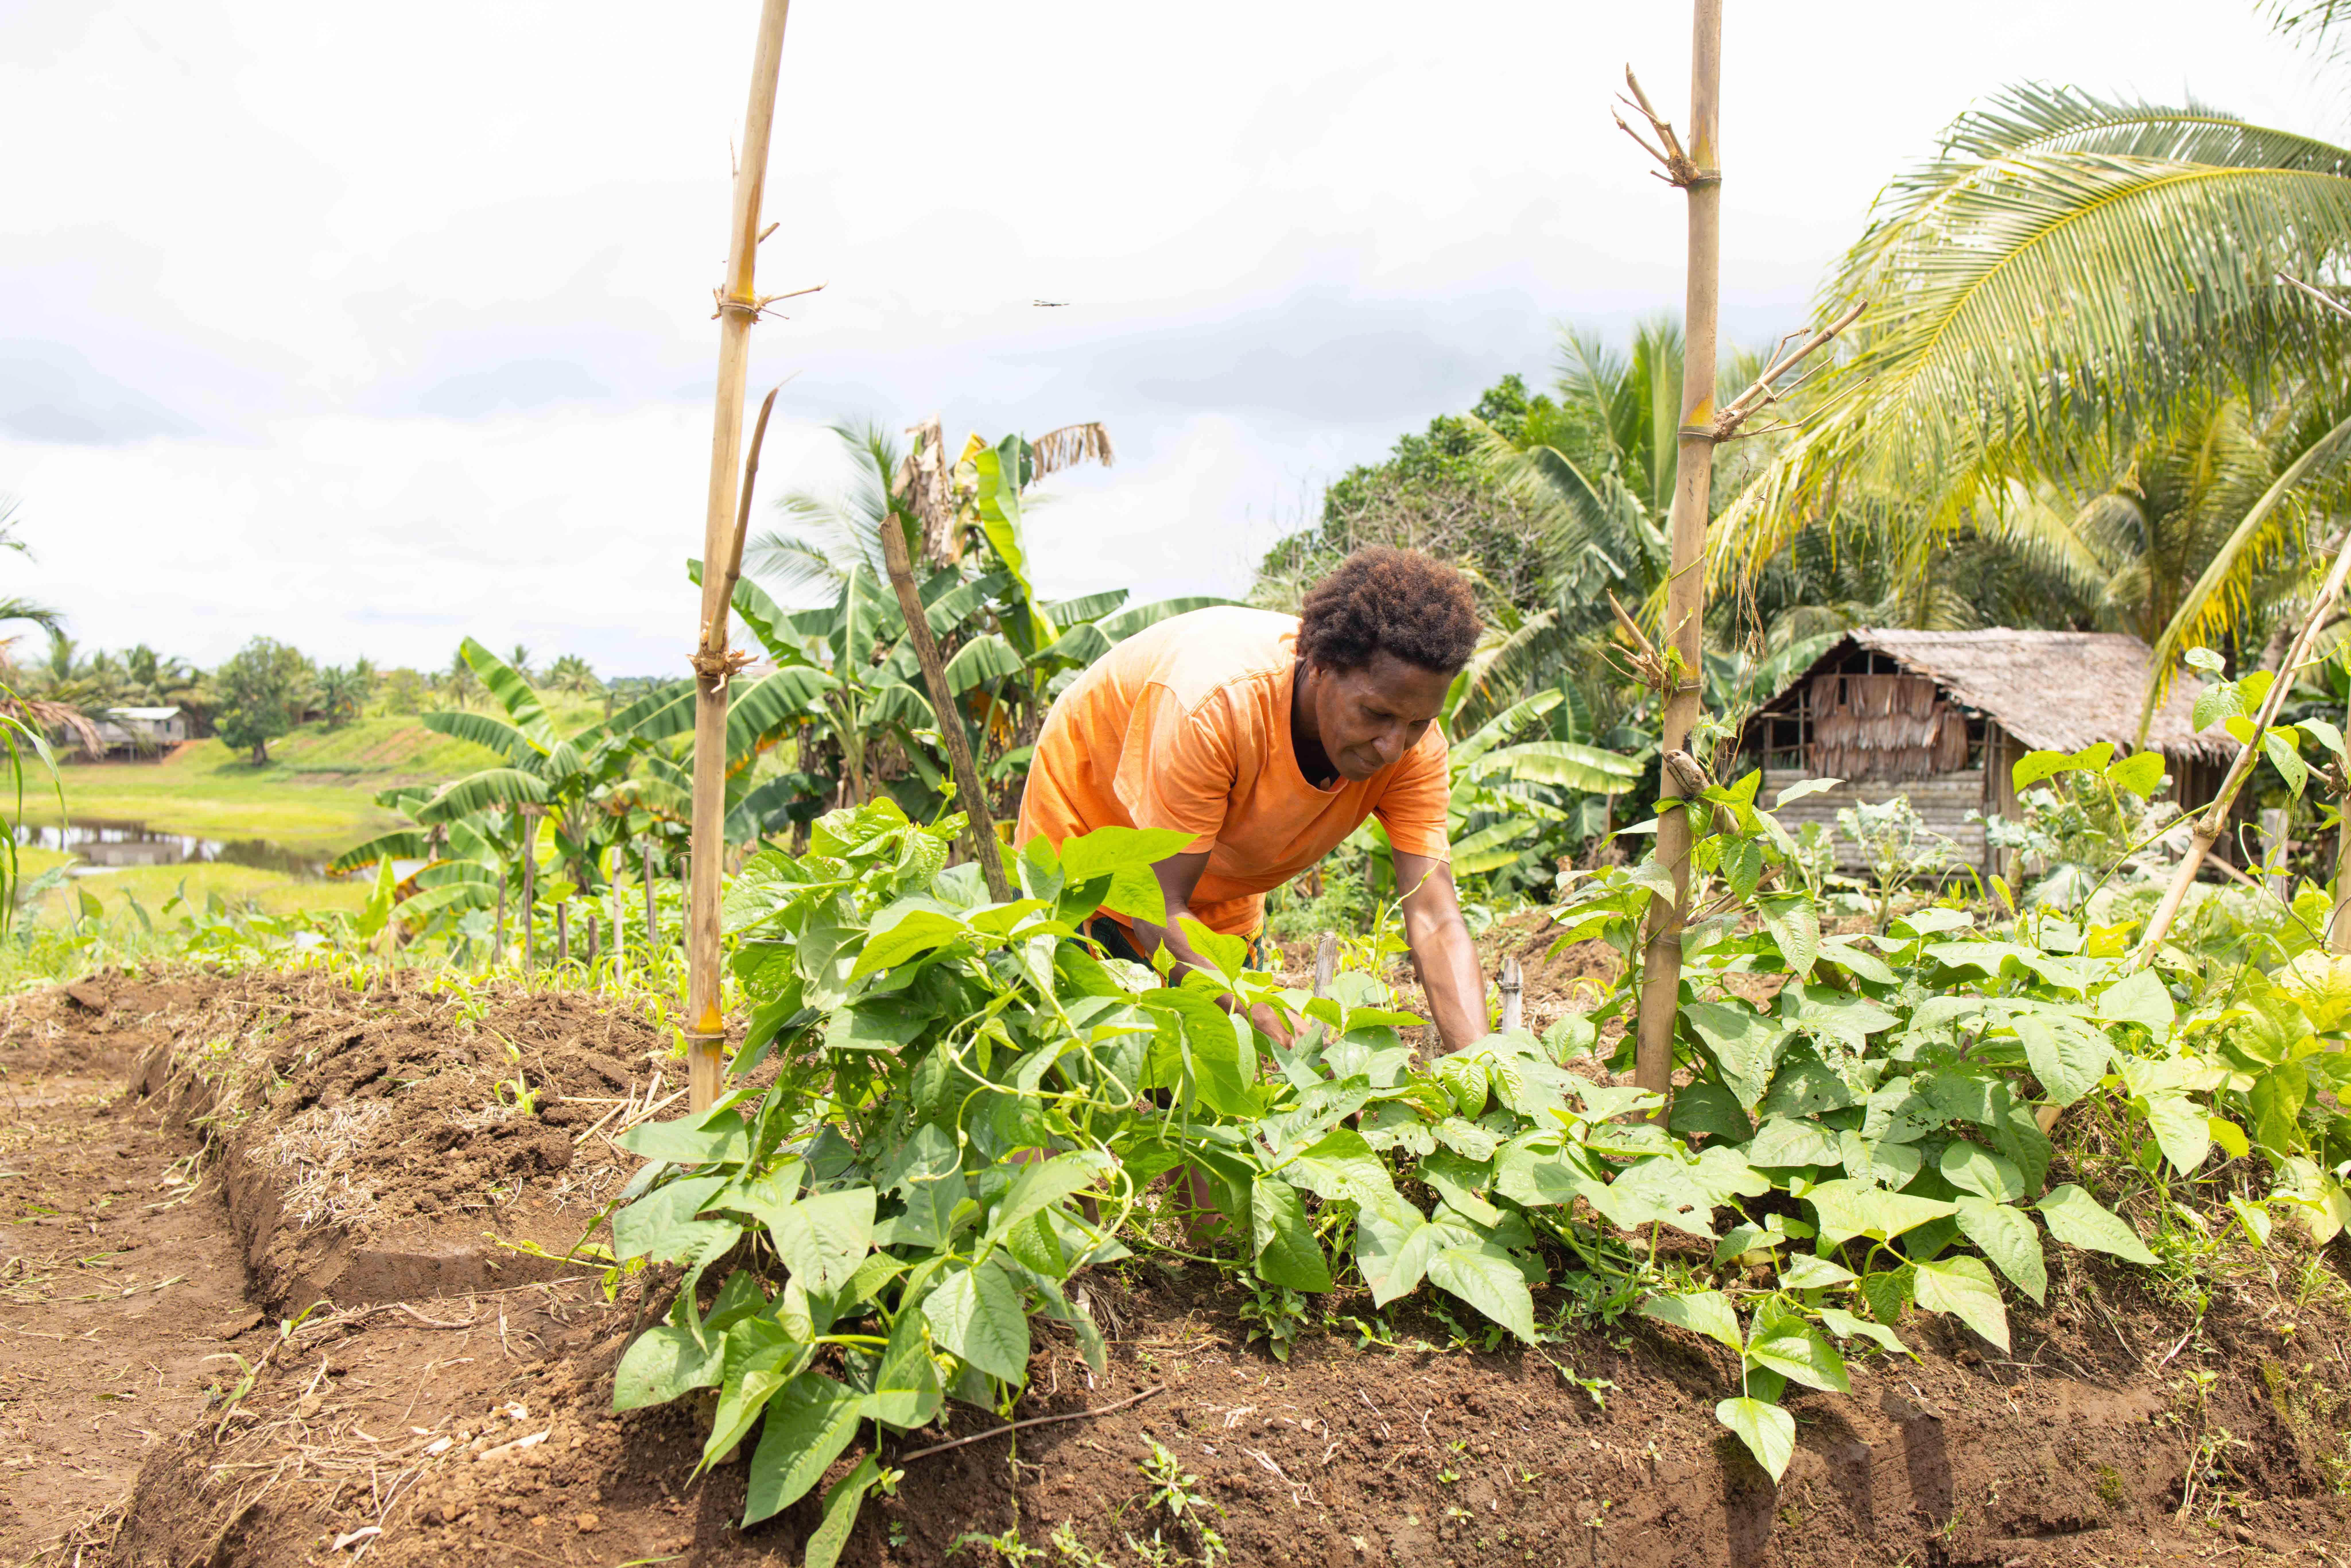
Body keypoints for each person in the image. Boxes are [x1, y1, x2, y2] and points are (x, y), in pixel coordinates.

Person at [1016, 545, 1490, 1053]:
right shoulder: (1217, 705)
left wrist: (1484, 1068)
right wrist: (1257, 1010)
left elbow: (1436, 920)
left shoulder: (1413, 749)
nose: (1393, 747)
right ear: (1324, 666)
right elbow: (1156, 909)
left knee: (1208, 1085)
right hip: (1092, 841)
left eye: (1418, 723)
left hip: (1211, 877)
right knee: (1095, 1073)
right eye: (1376, 715)